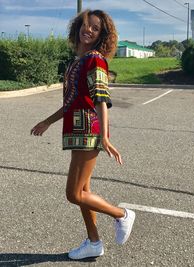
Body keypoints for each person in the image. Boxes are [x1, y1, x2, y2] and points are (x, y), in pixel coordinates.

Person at [31, 9, 135, 260]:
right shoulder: (77, 61)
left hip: (89, 131)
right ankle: (93, 242)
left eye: (95, 28)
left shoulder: (95, 60)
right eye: (86, 25)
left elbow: (101, 99)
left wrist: (105, 137)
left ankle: (122, 215)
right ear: (78, 27)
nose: (88, 30)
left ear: (102, 35)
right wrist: (48, 121)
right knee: (84, 191)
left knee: (74, 193)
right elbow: (71, 102)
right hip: (75, 130)